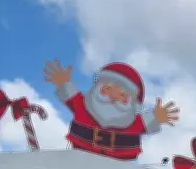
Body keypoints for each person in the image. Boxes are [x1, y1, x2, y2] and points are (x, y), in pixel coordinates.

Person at [44, 60, 179, 161]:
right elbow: (71, 95)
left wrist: (156, 117)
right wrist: (63, 83)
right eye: (107, 89)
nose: (113, 97)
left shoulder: (131, 122)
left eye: (121, 95)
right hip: (80, 155)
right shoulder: (83, 105)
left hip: (118, 162)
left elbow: (144, 122)